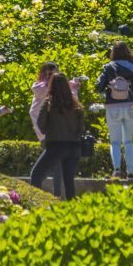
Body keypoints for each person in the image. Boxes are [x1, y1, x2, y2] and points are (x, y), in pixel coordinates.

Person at [30, 72, 85, 200]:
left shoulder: (49, 103)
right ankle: (72, 210)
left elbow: (40, 125)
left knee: (36, 175)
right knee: (68, 181)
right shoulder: (76, 105)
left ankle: (35, 204)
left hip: (56, 146)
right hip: (74, 147)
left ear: (51, 86)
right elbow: (81, 128)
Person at [96, 42, 133, 181]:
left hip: (113, 106)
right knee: (128, 141)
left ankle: (116, 170)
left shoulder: (108, 67)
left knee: (115, 142)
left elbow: (98, 86)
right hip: (130, 105)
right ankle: (131, 172)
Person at [30, 62, 82, 141]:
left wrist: (73, 88)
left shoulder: (55, 89)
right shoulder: (39, 87)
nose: (53, 77)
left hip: (56, 132)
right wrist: (71, 88)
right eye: (51, 74)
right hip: (48, 132)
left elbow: (72, 102)